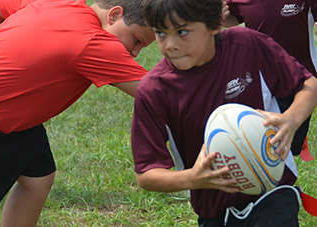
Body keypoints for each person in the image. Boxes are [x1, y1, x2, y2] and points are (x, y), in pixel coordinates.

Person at [0, 0, 155, 226]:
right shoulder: (94, 43)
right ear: (114, 15)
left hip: (10, 116)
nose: (135, 52)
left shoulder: (58, 2)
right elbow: (156, 95)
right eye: (136, 40)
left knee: (37, 178)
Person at [131, 0, 317, 226]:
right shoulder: (154, 90)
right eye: (161, 33)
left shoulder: (247, 46)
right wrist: (192, 178)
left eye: (182, 31)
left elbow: (309, 85)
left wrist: (291, 119)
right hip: (214, 211)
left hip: (274, 190)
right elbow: (146, 175)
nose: (170, 44)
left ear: (214, 24)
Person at [223, 0, 317, 158]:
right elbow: (230, 18)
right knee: (261, 145)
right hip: (261, 80)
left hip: (301, 82)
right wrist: (218, 14)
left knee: (290, 147)